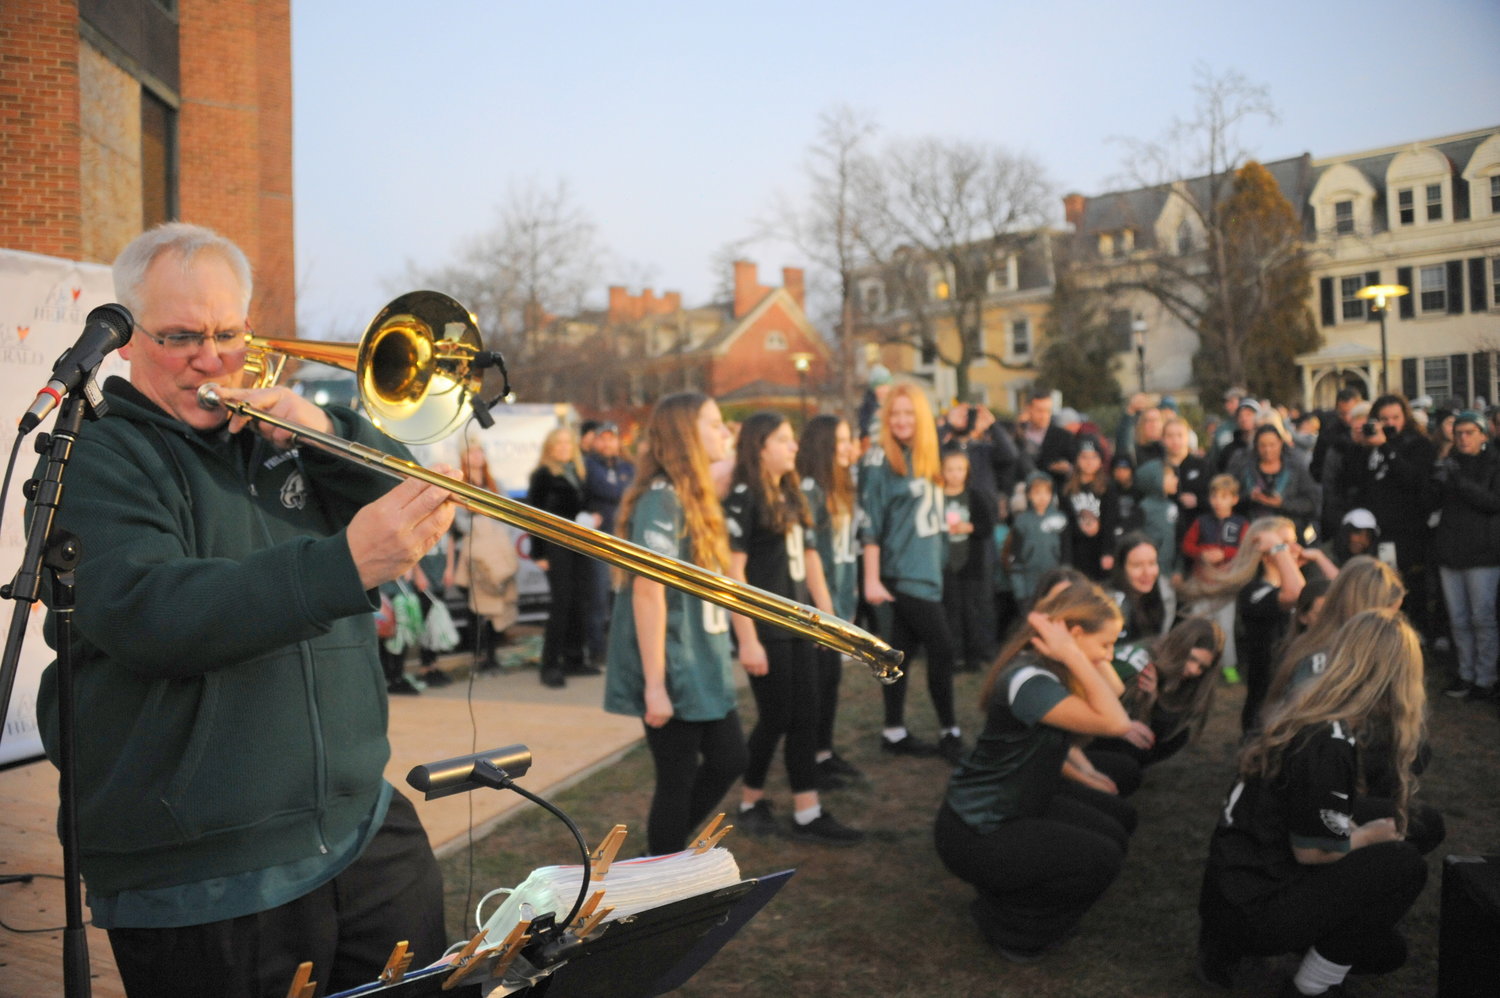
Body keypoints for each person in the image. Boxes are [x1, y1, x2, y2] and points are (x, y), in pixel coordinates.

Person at [32, 223, 451, 997]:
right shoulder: (94, 456)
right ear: (125, 339)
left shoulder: (281, 433)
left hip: (360, 822)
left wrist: (326, 433)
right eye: (181, 335)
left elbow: (413, 499)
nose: (211, 356)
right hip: (202, 872)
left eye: (228, 332)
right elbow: (149, 612)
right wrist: (342, 564)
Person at [1197, 609, 1430, 997]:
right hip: (1254, 907)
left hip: (1233, 889)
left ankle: (1269, 945)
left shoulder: (1313, 710)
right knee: (1405, 865)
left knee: (1387, 948)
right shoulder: (1327, 739)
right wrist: (1366, 838)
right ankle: (1311, 988)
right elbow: (1312, 852)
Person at [933, 585, 1136, 964]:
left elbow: (1114, 690)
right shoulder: (1028, 680)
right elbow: (1116, 721)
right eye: (1105, 644)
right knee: (1101, 857)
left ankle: (1009, 895)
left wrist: (1079, 653)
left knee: (1117, 825)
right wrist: (1075, 654)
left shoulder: (1046, 669)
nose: (1109, 655)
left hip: (1016, 807)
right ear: (1075, 636)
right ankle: (1011, 926)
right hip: (978, 831)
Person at [602, 393, 748, 856]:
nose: (725, 430)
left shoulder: (696, 494)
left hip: (704, 657)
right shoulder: (661, 500)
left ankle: (665, 853)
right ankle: (661, 866)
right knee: (677, 777)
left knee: (730, 759)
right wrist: (655, 684)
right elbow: (648, 591)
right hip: (673, 661)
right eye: (713, 422)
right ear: (687, 435)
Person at [727, 412, 862, 845]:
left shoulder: (791, 492)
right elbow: (733, 573)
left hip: (801, 623)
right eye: (784, 439)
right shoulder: (745, 495)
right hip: (767, 628)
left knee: (806, 715)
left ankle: (808, 812)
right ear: (760, 446)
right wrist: (747, 639)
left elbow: (811, 559)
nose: (794, 447)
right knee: (775, 717)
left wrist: (828, 619)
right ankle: (750, 801)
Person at [861, 382, 964, 761]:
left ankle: (893, 731)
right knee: (942, 647)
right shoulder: (879, 460)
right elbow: (869, 522)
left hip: (929, 569)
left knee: (896, 657)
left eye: (909, 413)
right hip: (901, 573)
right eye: (895, 413)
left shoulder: (926, 454)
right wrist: (871, 578)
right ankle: (950, 731)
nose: (902, 420)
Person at [1182, 517, 1337, 734]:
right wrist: (1279, 550)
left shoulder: (1301, 583)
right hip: (1267, 707)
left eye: (1292, 541)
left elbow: (1344, 595)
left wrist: (1318, 557)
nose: (1292, 548)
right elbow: (1296, 596)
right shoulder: (1253, 592)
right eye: (1283, 542)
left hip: (1301, 696)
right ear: (1266, 553)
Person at [797, 414, 867, 788]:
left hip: (839, 598)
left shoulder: (842, 484)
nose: (848, 447)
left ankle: (824, 752)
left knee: (832, 680)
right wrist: (824, 608)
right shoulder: (810, 488)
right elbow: (809, 555)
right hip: (815, 606)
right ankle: (809, 762)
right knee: (816, 685)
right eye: (840, 440)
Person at [1340, 393, 1437, 639]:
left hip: (1407, 531)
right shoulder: (1367, 447)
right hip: (1375, 530)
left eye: (1395, 417)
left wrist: (1385, 446)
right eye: (1384, 418)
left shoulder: (1418, 445)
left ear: (1405, 417)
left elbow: (1413, 480)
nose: (1390, 423)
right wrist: (1360, 444)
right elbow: (1352, 483)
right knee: (1377, 589)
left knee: (1407, 589)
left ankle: (1414, 640)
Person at [1429, 409, 1500, 701]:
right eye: (1458, 433)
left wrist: (1459, 481)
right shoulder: (1449, 464)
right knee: (1458, 619)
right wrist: (1437, 475)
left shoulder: (1494, 463)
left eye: (1469, 432)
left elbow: (1492, 502)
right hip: (1451, 550)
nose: (1463, 438)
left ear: (1484, 434)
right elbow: (1430, 502)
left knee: (1482, 618)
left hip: (1483, 553)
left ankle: (1486, 677)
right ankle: (1465, 673)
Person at [1094, 616, 1226, 770]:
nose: (1193, 670)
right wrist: (1119, 726)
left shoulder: (1187, 679)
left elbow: (1168, 729)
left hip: (1119, 728)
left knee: (1178, 734)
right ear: (1178, 646)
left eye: (1202, 667)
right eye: (1191, 658)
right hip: (1092, 727)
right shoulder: (1138, 663)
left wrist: (1154, 699)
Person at [525, 426, 595, 687]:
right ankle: (550, 665)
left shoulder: (578, 472)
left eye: (568, 443)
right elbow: (534, 517)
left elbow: (584, 504)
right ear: (550, 447)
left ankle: (575, 659)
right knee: (561, 604)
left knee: (580, 601)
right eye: (560, 443)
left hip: (581, 545)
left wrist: (592, 514)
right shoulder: (542, 475)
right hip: (556, 546)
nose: (565, 447)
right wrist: (539, 552)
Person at [449, 442, 520, 673]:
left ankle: (492, 655)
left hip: (496, 555)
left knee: (497, 603)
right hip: (474, 556)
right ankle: (479, 656)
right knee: (476, 606)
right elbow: (458, 521)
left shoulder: (494, 484)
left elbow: (509, 514)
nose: (477, 456)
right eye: (472, 452)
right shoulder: (459, 485)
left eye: (480, 451)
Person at [940, 447, 998, 673]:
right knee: (950, 611)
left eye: (960, 469)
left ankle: (973, 656)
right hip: (946, 564)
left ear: (967, 471)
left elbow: (987, 526)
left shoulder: (974, 496)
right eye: (950, 469)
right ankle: (954, 657)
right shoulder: (937, 496)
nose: (955, 474)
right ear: (942, 471)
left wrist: (970, 527)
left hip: (970, 565)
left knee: (971, 611)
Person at [583, 421, 636, 667]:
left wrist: (623, 489)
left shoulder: (628, 466)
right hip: (600, 542)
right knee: (598, 598)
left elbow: (632, 491)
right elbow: (605, 489)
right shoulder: (588, 465)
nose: (607, 443)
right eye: (602, 438)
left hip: (626, 541)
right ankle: (597, 651)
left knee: (624, 599)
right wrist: (622, 489)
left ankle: (624, 650)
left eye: (611, 438)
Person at [1233, 425, 1321, 543]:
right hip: (1253, 533)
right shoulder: (1244, 469)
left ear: (1280, 443)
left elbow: (1311, 503)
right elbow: (1231, 498)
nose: (1267, 450)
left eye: (1272, 445)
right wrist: (1250, 497)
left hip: (1290, 535)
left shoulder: (1296, 468)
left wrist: (1282, 503)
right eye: (1263, 445)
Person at [1005, 471, 1069, 606]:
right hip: (1030, 586)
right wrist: (1020, 593)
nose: (1042, 497)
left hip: (1054, 583)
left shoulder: (1060, 519)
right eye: (1037, 493)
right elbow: (1015, 558)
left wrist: (1065, 583)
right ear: (1028, 495)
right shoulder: (1021, 522)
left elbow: (1066, 554)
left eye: (1047, 492)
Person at [1061, 437, 1119, 581]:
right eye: (1084, 457)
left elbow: (1110, 521)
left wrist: (1108, 551)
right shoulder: (1067, 488)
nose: (1089, 462)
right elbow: (1065, 521)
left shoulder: (1108, 487)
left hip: (1098, 549)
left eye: (1094, 457)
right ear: (1077, 460)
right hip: (1076, 550)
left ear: (1100, 461)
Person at [1109, 532, 1177, 646]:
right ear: (1121, 568)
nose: (1147, 573)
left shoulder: (1165, 594)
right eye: (1137, 565)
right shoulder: (1109, 602)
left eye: (1152, 563)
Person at [1014, 387, 1077, 489]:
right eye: (1039, 411)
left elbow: (1075, 466)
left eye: (1048, 411)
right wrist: (1017, 427)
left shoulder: (1063, 436)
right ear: (1028, 409)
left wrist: (1067, 468)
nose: (1044, 416)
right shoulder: (1018, 433)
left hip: (1053, 493)